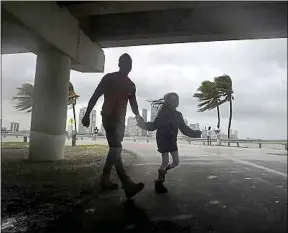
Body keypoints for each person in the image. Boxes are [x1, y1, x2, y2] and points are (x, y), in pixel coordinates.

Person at [82, 53, 144, 199]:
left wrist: (138, 116)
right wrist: (87, 114)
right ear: (119, 64)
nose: (127, 65)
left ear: (131, 66)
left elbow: (134, 104)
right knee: (116, 147)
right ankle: (127, 183)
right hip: (109, 117)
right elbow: (95, 95)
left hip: (121, 121)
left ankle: (104, 179)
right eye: (124, 62)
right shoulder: (109, 78)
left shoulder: (131, 85)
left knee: (114, 149)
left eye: (129, 63)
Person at [136, 93, 202, 194]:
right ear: (169, 102)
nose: (176, 102)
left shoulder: (178, 115)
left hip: (172, 140)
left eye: (177, 100)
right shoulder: (162, 113)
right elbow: (154, 126)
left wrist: (196, 133)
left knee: (176, 162)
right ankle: (159, 182)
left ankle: (162, 172)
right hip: (162, 139)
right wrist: (142, 124)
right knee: (165, 161)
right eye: (174, 100)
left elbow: (184, 129)